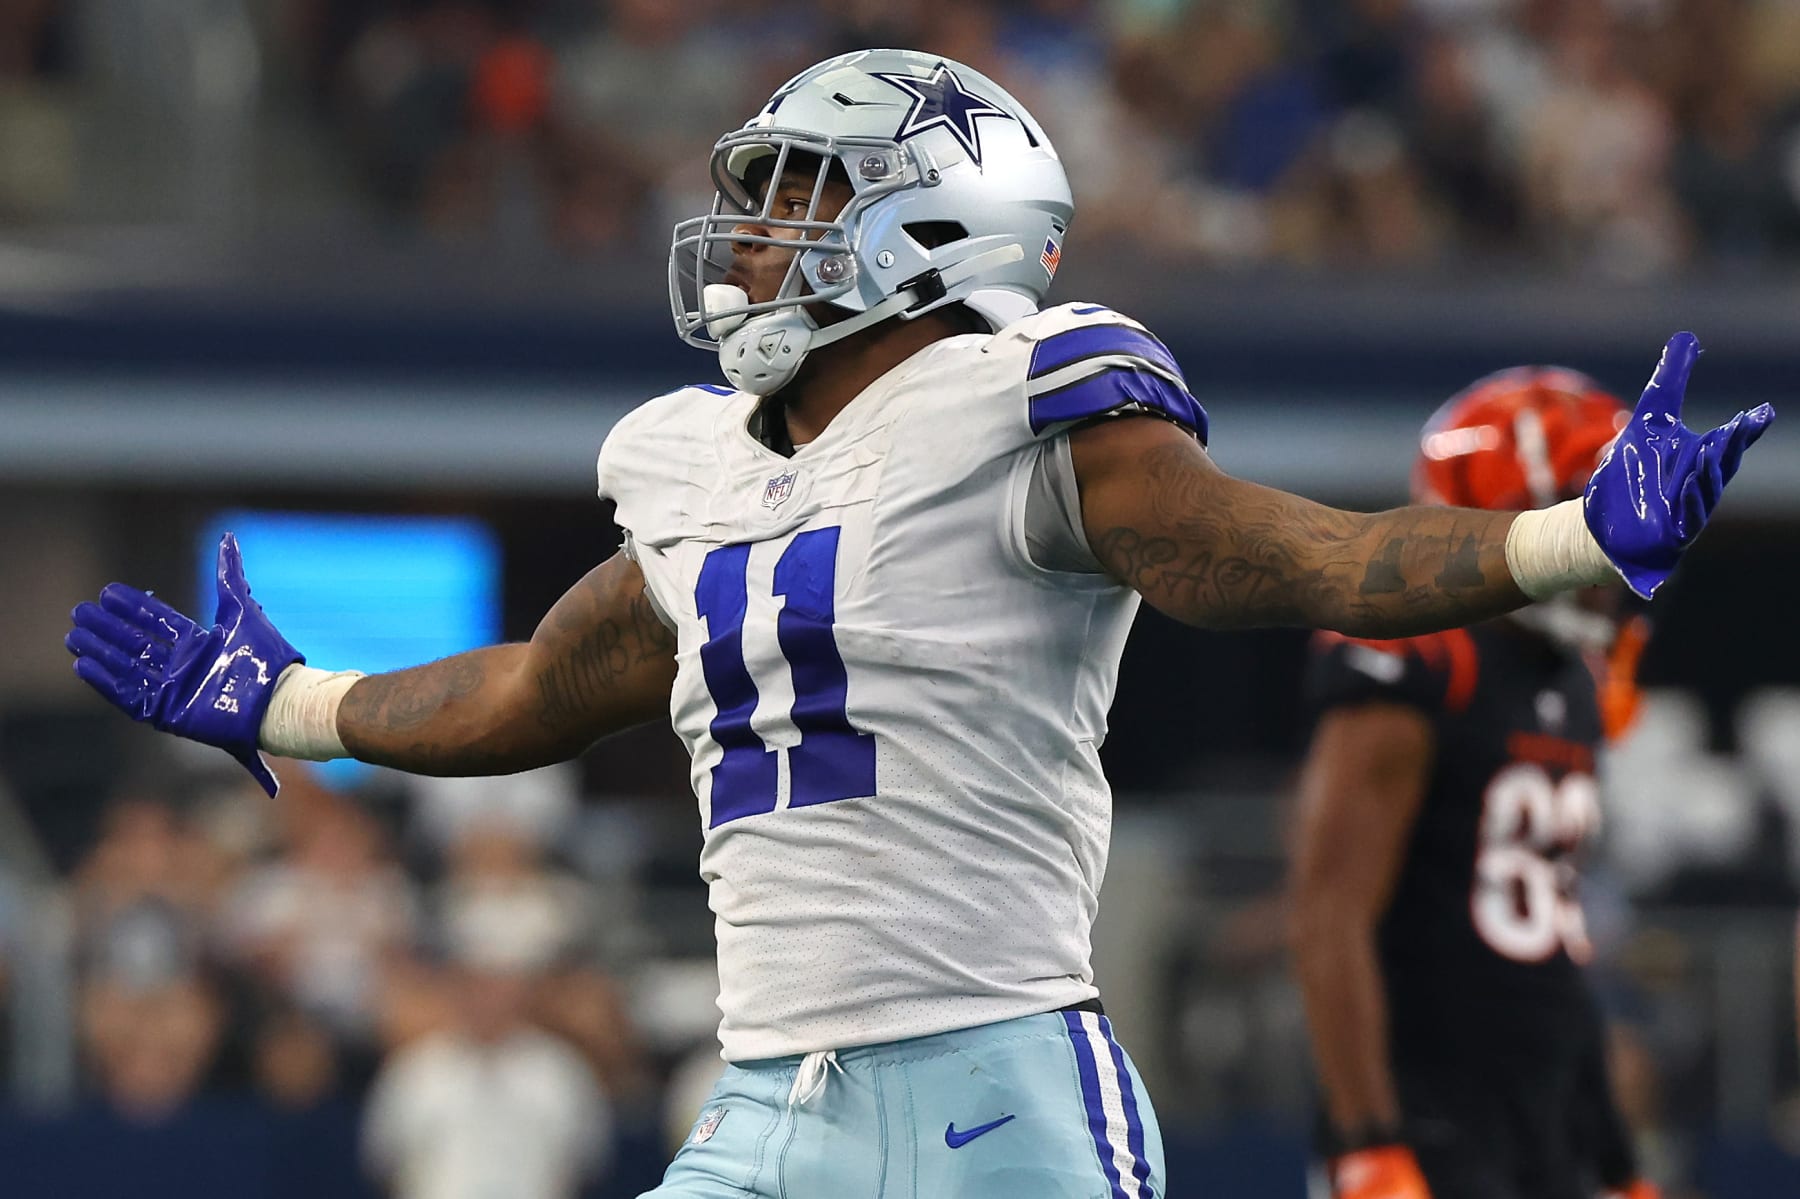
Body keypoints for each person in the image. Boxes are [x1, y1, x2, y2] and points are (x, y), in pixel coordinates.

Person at [64, 49, 1771, 1199]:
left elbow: (1293, 553)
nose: (752, 230)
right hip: (764, 1100)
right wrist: (286, 701)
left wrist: (1560, 540)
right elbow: (535, 683)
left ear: (932, 219)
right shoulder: (694, 463)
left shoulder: (1026, 402)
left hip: (1000, 1091)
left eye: (800, 191)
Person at [1288, 368, 1664, 1199]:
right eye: (1590, 511)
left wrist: (1614, 1158)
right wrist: (1367, 1141)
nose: (1616, 543)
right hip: (1431, 1119)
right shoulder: (1425, 649)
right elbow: (1329, 913)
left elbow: (1553, 956)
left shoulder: (1571, 678)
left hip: (1543, 1122)